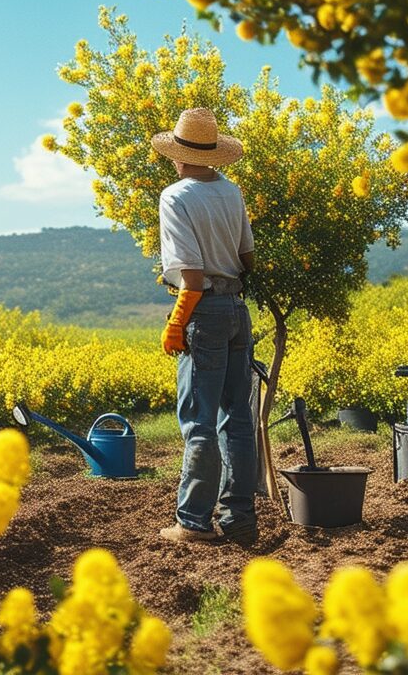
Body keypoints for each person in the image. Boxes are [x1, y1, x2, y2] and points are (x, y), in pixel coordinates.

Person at [153, 107, 258, 545]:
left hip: (204, 311)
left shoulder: (175, 196)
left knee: (198, 421)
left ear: (179, 155)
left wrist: (178, 320)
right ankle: (239, 517)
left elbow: (191, 276)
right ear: (213, 153)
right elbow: (248, 258)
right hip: (236, 309)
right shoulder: (231, 192)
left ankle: (193, 522)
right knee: (237, 417)